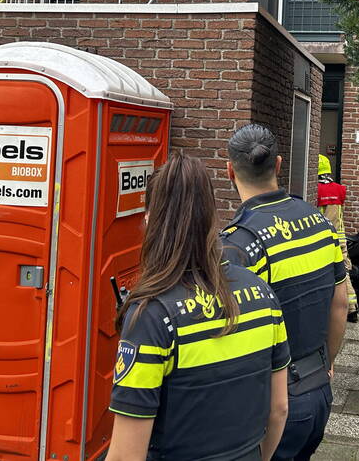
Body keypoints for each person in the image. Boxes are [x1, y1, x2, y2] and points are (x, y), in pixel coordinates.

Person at [107, 153, 290, 461]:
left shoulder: (152, 316)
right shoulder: (263, 292)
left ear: (150, 219)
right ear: (212, 217)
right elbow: (279, 409)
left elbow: (126, 455)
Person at [221, 125, 349, 461]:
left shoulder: (239, 245)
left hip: (270, 406)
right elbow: (339, 304)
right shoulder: (320, 223)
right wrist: (327, 364)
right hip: (318, 392)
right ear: (278, 165)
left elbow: (231, 336)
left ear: (230, 170)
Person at [316, 154, 359, 322]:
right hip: (340, 238)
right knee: (343, 271)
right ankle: (352, 307)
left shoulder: (317, 190)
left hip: (323, 236)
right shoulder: (339, 189)